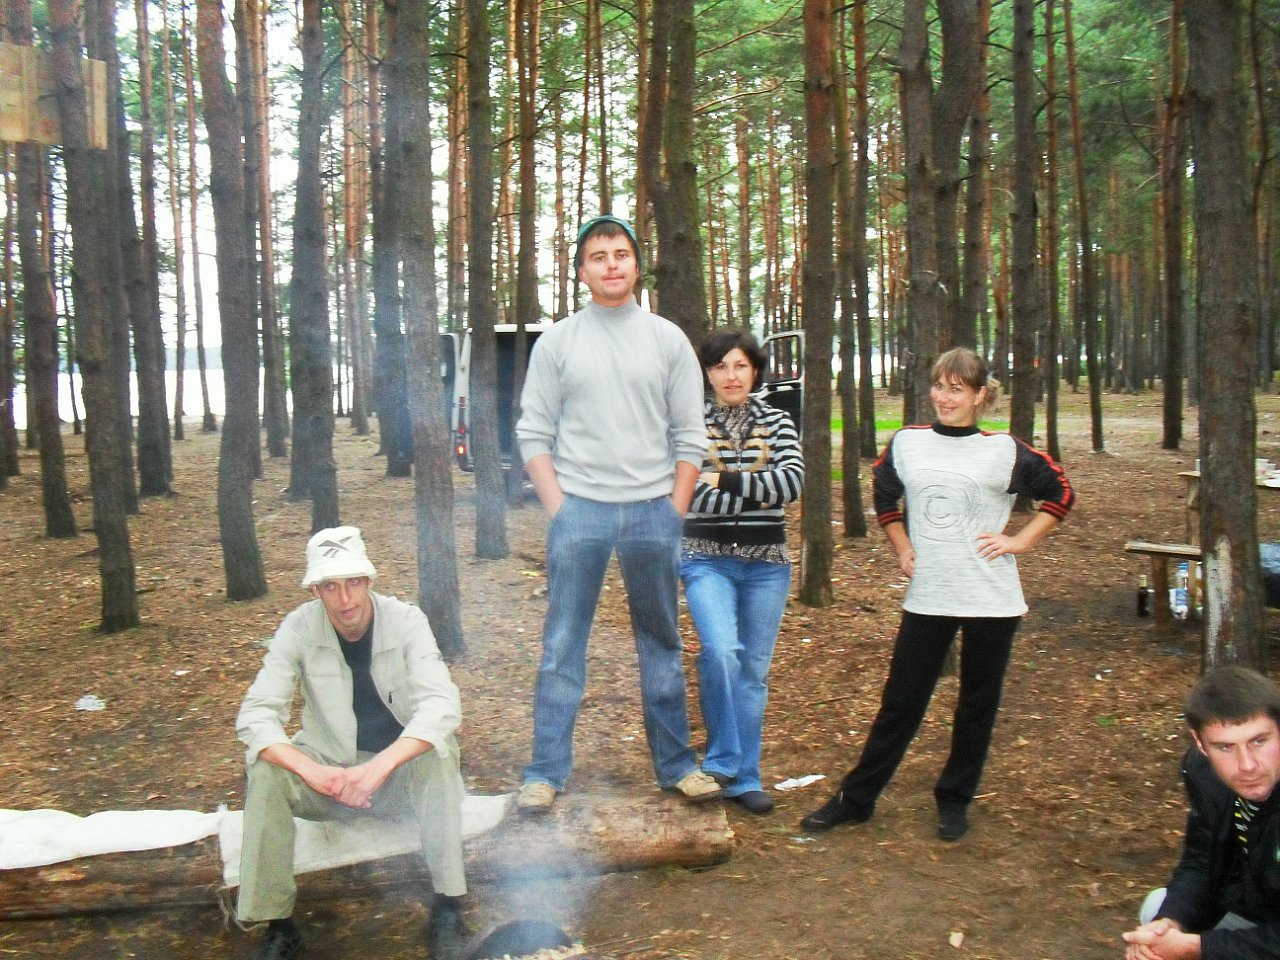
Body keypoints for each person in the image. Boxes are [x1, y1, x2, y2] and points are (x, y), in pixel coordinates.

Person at [800, 347, 1074, 841]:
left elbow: (1061, 493)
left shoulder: (1004, 450)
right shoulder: (908, 442)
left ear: (979, 395)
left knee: (976, 705)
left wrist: (1019, 541)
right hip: (929, 596)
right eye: (939, 386)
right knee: (901, 703)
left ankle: (954, 799)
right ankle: (856, 800)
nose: (944, 398)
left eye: (957, 389)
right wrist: (902, 547)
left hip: (991, 599)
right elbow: (884, 495)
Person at [513, 214, 722, 814]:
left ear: (636, 265)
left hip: (653, 511)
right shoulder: (558, 343)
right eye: (598, 256)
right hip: (580, 511)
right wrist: (560, 509)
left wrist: (674, 509)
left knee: (660, 642)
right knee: (562, 644)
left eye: (621, 254)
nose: (611, 264)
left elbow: (690, 435)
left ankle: (676, 765)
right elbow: (533, 432)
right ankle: (545, 772)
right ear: (582, 271)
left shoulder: (666, 339)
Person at [235, 526, 467, 960]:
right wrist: (313, 772)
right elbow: (256, 715)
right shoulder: (298, 627)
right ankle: (279, 926)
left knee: (437, 752)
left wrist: (378, 767)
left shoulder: (407, 620)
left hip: (398, 780)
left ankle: (448, 905)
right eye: (330, 586)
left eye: (354, 582)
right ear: (315, 591)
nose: (345, 600)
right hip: (329, 777)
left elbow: (441, 706)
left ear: (369, 581)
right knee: (266, 770)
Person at [680, 328, 804, 815]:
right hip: (705, 557)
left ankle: (743, 778)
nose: (731, 376)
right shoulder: (689, 423)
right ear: (707, 373)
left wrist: (720, 478)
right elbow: (686, 491)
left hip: (767, 565)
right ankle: (722, 760)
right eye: (720, 366)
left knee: (753, 672)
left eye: (740, 366)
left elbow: (791, 484)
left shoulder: (778, 419)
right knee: (720, 651)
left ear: (755, 371)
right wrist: (754, 488)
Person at [1122, 666, 1280, 960]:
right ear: (1200, 744)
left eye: (1259, 741)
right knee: (1157, 910)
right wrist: (1170, 923)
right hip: (1256, 912)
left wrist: (1198, 947)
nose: (1247, 765)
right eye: (1225, 747)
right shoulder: (1204, 775)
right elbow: (1202, 860)